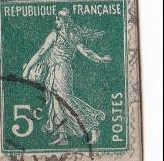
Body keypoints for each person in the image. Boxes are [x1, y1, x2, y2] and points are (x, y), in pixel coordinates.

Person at [22, 9, 111, 147]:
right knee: (56, 103)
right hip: (60, 71)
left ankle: (92, 126)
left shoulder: (54, 35)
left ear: (62, 21)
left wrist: (27, 69)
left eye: (57, 19)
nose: (55, 21)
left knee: (65, 100)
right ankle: (62, 136)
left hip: (60, 71)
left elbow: (40, 53)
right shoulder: (73, 35)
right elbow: (86, 52)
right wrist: (101, 59)